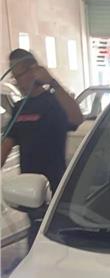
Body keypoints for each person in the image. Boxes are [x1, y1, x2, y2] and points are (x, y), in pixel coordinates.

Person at [1, 49, 83, 245]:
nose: (17, 82)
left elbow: (76, 118)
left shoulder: (54, 102)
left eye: (18, 76)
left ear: (33, 71)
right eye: (14, 77)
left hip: (56, 194)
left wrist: (52, 82)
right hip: (30, 196)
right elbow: (5, 147)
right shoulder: (20, 108)